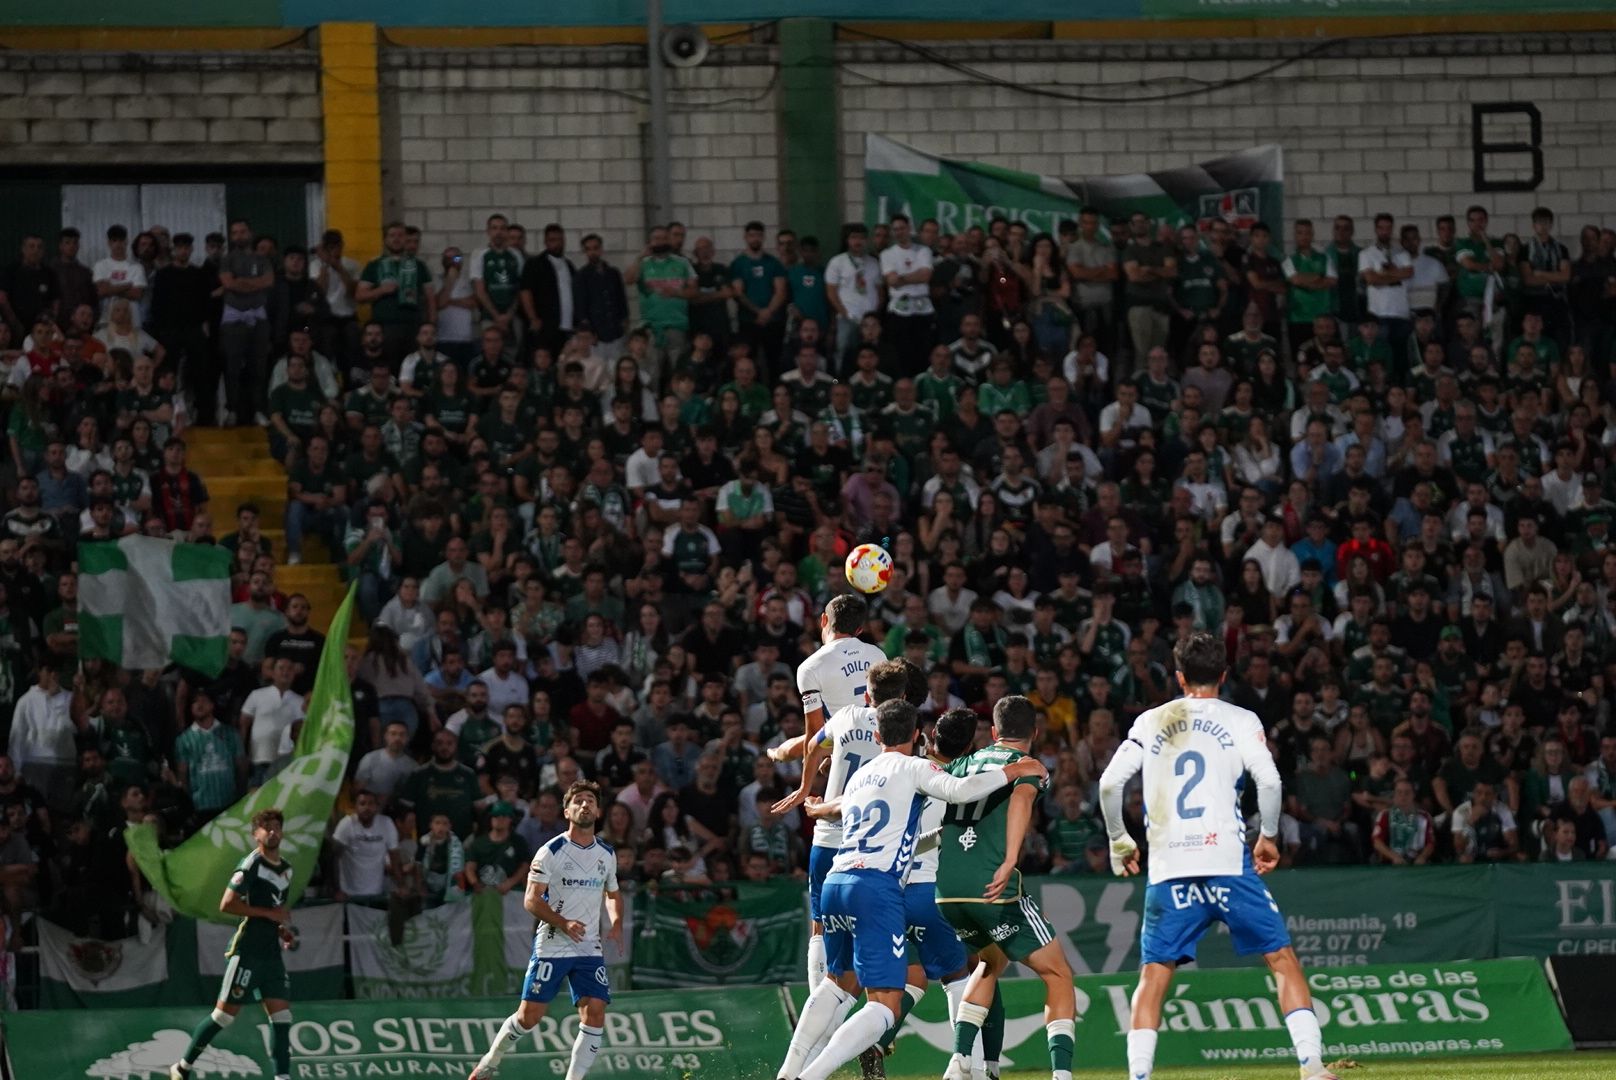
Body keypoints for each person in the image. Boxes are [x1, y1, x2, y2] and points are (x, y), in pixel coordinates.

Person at [1099, 632, 1338, 1080]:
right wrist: (1268, 836)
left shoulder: (1151, 720)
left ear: (1179, 676)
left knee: (1154, 975)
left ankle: (1139, 1076)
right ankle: (1312, 1066)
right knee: (1281, 960)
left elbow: (1110, 784)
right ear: (1224, 676)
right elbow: (1269, 783)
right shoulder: (1241, 719)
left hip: (1170, 869)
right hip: (1228, 863)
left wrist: (1119, 838)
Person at [774, 699, 1045, 1080]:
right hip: (880, 889)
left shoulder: (862, 774)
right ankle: (815, 1076)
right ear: (917, 734)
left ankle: (790, 1069)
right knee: (893, 1002)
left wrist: (819, 810)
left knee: (837, 986)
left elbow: (868, 817)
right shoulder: (919, 768)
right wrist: (1015, 769)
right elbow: (962, 789)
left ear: (876, 734)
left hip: (837, 879)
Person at [934, 698, 1075, 1080]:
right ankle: (1062, 1075)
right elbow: (1022, 799)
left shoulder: (963, 763)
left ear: (993, 733)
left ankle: (960, 1060)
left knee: (989, 962)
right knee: (1058, 974)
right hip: (993, 886)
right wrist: (1012, 857)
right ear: (1035, 733)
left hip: (946, 889)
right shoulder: (1029, 767)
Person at [469, 780, 623, 1080]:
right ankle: (490, 1060)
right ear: (567, 811)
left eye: (590, 800)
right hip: (553, 943)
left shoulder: (607, 853)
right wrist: (563, 922)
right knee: (530, 1017)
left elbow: (613, 894)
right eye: (578, 800)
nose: (585, 804)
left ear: (599, 810)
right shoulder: (551, 851)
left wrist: (616, 923)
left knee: (596, 1011)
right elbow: (531, 900)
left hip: (589, 947)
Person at [168, 808, 297, 1080]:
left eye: (277, 826)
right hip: (248, 951)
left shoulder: (286, 870)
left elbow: (276, 908)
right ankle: (182, 1067)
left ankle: (282, 1077)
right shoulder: (251, 864)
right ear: (256, 835)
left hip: (271, 955)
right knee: (223, 1017)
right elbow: (227, 903)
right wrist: (269, 915)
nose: (273, 831)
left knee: (283, 1020)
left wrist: (282, 929)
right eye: (266, 828)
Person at [796, 592, 887, 742]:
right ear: (859, 630)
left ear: (823, 620)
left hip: (839, 751)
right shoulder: (879, 656)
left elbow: (814, 735)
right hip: (877, 748)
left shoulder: (809, 667)